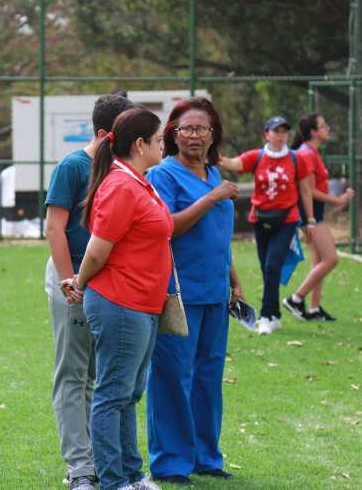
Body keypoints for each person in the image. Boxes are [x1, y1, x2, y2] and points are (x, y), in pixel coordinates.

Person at [62, 107, 170, 490]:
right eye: (158, 140)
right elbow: (96, 251)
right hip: (120, 304)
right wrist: (79, 281)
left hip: (142, 304)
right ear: (140, 144)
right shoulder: (121, 185)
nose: (163, 145)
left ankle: (132, 474)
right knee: (113, 393)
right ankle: (113, 480)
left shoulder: (138, 182)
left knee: (129, 394)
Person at [145, 97, 242, 485]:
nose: (194, 135)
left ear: (213, 134)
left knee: (208, 377)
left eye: (202, 128)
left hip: (215, 293)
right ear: (173, 134)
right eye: (186, 128)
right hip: (178, 294)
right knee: (172, 376)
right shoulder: (163, 175)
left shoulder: (214, 174)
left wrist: (234, 280)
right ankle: (171, 462)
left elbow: (219, 237)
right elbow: (166, 227)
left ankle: (206, 456)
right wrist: (211, 198)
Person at [45, 92, 134, 490]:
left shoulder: (124, 171)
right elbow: (54, 228)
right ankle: (80, 467)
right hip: (74, 278)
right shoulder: (72, 167)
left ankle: (101, 460)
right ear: (102, 134)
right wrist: (70, 281)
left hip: (108, 280)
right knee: (74, 375)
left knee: (102, 376)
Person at [220, 116, 313, 335]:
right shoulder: (257, 156)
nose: (280, 135)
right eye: (276, 131)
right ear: (266, 134)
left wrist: (309, 219)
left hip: (287, 220)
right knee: (267, 269)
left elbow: (305, 190)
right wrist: (214, 154)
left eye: (284, 131)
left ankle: (265, 316)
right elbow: (233, 163)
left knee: (272, 266)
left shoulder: (296, 158)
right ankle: (275, 315)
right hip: (260, 219)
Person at [283, 113, 355, 321]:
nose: (328, 129)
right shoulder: (306, 154)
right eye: (323, 126)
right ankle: (296, 299)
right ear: (313, 132)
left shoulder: (311, 152)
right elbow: (309, 191)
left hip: (315, 213)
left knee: (319, 261)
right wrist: (338, 200)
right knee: (331, 259)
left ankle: (314, 309)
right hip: (310, 214)